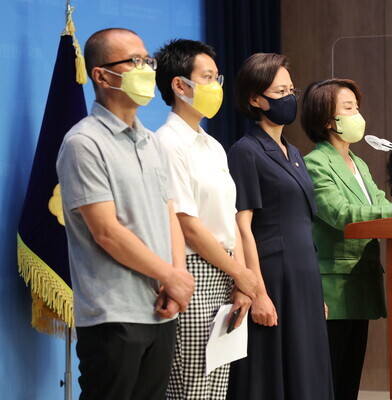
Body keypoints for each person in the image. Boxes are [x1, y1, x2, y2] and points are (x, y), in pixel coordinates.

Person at [56, 28, 195, 400]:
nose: (147, 69)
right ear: (100, 75)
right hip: (113, 314)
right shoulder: (84, 142)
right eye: (134, 61)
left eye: (147, 60)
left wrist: (176, 276)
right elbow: (106, 231)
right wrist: (168, 274)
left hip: (161, 309)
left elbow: (169, 213)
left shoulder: (151, 141)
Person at [301, 79, 392, 400]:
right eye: (348, 108)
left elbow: (378, 206)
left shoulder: (359, 162)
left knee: (349, 382)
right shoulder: (315, 162)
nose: (357, 115)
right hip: (333, 290)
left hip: (361, 284)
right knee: (330, 382)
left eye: (357, 108)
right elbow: (341, 213)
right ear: (326, 120)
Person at [226, 53, 334, 400]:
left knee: (309, 369)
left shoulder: (296, 152)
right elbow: (243, 225)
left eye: (291, 89)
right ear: (255, 99)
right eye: (279, 90)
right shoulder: (246, 151)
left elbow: (304, 224)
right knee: (275, 373)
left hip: (304, 275)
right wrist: (258, 292)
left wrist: (316, 291)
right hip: (273, 276)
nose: (289, 98)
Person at [154, 39, 257, 399]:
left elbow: (229, 219)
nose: (216, 87)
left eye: (218, 78)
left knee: (216, 387)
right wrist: (240, 273)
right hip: (194, 268)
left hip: (226, 269)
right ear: (180, 85)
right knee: (190, 387)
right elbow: (187, 224)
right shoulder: (166, 143)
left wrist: (242, 281)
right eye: (208, 77)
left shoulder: (213, 145)